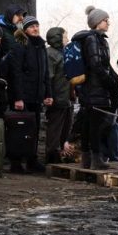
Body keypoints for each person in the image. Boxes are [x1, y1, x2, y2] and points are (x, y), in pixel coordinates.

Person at [73, 6, 118, 170]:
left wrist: (115, 79)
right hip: (95, 89)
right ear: (96, 22)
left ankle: (87, 160)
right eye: (105, 20)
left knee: (89, 124)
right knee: (94, 125)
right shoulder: (93, 39)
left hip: (92, 88)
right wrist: (109, 82)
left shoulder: (100, 39)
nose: (108, 23)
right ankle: (95, 159)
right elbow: (96, 64)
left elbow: (105, 64)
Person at [7, 15, 53, 172]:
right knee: (19, 130)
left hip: (36, 96)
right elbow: (16, 73)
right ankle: (16, 162)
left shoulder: (41, 47)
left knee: (34, 130)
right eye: (32, 26)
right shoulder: (20, 45)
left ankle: (32, 160)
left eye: (37, 26)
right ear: (25, 29)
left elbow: (46, 73)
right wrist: (18, 97)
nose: (35, 29)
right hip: (24, 96)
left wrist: (48, 94)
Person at [44, 26, 72, 164]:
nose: (67, 38)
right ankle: (51, 156)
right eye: (65, 36)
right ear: (58, 38)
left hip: (66, 97)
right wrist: (49, 96)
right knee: (55, 128)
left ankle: (60, 153)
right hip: (57, 97)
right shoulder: (50, 54)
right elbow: (48, 77)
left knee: (65, 127)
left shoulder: (63, 52)